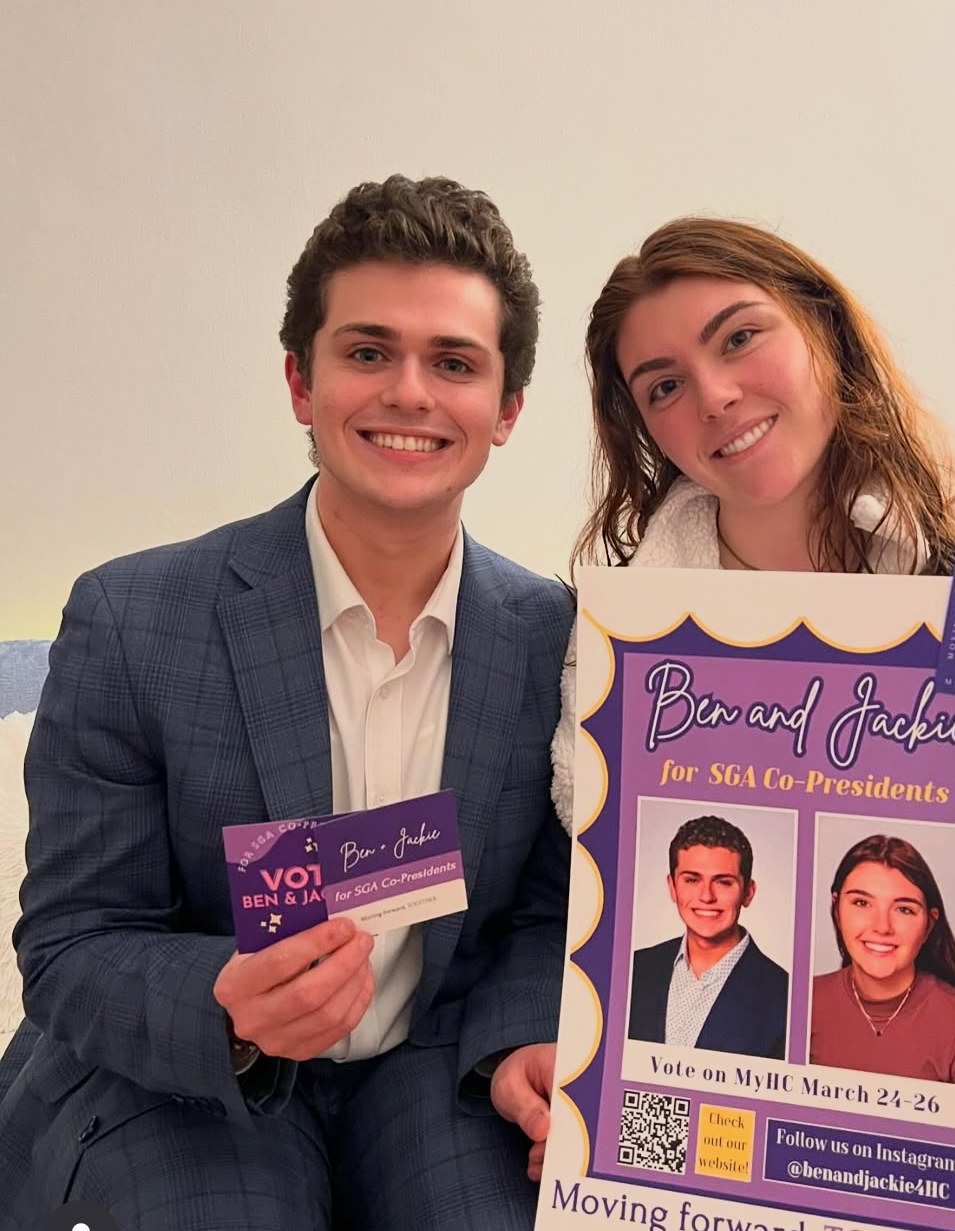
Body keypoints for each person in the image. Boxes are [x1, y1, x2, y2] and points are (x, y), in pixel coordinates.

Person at [550, 216, 955, 1231]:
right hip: (727, 1092)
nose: (712, 395)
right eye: (662, 386)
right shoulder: (619, 638)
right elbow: (602, 907)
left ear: (824, 332)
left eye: (739, 337)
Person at [0, 176, 572, 1231]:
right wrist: (221, 1003)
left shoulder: (557, 639)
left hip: (434, 1063)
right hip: (181, 1077)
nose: (409, 392)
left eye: (453, 363)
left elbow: (549, 911)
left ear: (506, 411)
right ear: (301, 384)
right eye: (368, 352)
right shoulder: (133, 619)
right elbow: (73, 940)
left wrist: (520, 1037)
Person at [809, 834, 955, 1084]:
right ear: (836, 909)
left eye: (903, 909)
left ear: (929, 924)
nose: (882, 927)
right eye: (861, 902)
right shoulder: (799, 1001)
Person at [628, 814, 789, 1058]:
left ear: (748, 892)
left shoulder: (785, 997)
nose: (706, 896)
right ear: (672, 887)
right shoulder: (634, 968)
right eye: (692, 880)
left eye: (723, 882)